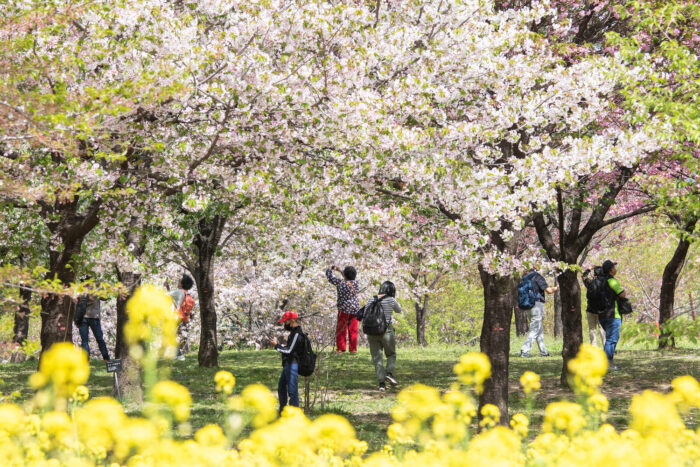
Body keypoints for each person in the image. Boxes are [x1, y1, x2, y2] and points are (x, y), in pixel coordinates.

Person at [362, 281, 403, 391]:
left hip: (371, 331)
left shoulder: (371, 299)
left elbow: (364, 312)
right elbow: (399, 310)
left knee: (377, 358)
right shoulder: (391, 300)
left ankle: (381, 384)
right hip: (386, 331)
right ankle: (389, 373)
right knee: (391, 354)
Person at [519, 266, 559, 358]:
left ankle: (543, 351)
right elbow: (549, 291)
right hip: (537, 305)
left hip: (527, 305)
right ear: (535, 267)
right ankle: (524, 350)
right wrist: (556, 287)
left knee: (539, 329)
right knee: (535, 329)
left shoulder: (524, 278)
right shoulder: (537, 276)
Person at [272, 310, 305, 413]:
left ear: (292, 321)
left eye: (285, 322)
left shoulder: (297, 334)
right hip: (288, 364)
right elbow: (290, 349)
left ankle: (293, 413)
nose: (284, 324)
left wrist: (277, 346)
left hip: (292, 365)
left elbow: (289, 350)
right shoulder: (293, 333)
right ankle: (283, 411)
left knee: (292, 390)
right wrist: (280, 346)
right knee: (281, 387)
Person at [599, 260, 626, 370]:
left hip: (602, 314)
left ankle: (608, 363)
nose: (616, 268)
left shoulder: (599, 281)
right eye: (614, 267)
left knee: (610, 339)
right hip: (613, 315)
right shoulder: (613, 281)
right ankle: (607, 364)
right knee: (611, 340)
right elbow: (622, 294)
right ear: (611, 270)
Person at [326, 265, 360, 353]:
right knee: (353, 329)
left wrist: (330, 269)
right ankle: (353, 349)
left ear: (344, 275)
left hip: (343, 309)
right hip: (355, 309)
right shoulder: (356, 283)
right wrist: (341, 271)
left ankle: (341, 348)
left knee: (341, 329)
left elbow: (330, 278)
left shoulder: (340, 283)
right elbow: (348, 278)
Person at [167, 274, 195, 361]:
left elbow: (164, 295)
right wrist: (167, 287)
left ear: (182, 283)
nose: (177, 282)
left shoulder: (178, 292)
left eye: (179, 281)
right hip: (179, 317)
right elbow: (173, 298)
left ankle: (179, 355)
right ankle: (176, 355)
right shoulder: (184, 293)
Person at [77, 293, 110, 361]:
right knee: (100, 339)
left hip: (83, 317)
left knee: (84, 340)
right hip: (94, 317)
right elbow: (106, 297)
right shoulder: (96, 290)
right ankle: (106, 359)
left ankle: (86, 360)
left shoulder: (81, 290)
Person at [582, 267, 606, 347]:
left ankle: (594, 347)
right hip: (602, 310)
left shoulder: (590, 282)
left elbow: (584, 277)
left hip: (590, 309)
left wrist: (589, 269)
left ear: (594, 274)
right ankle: (606, 346)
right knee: (602, 329)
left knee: (592, 329)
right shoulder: (605, 283)